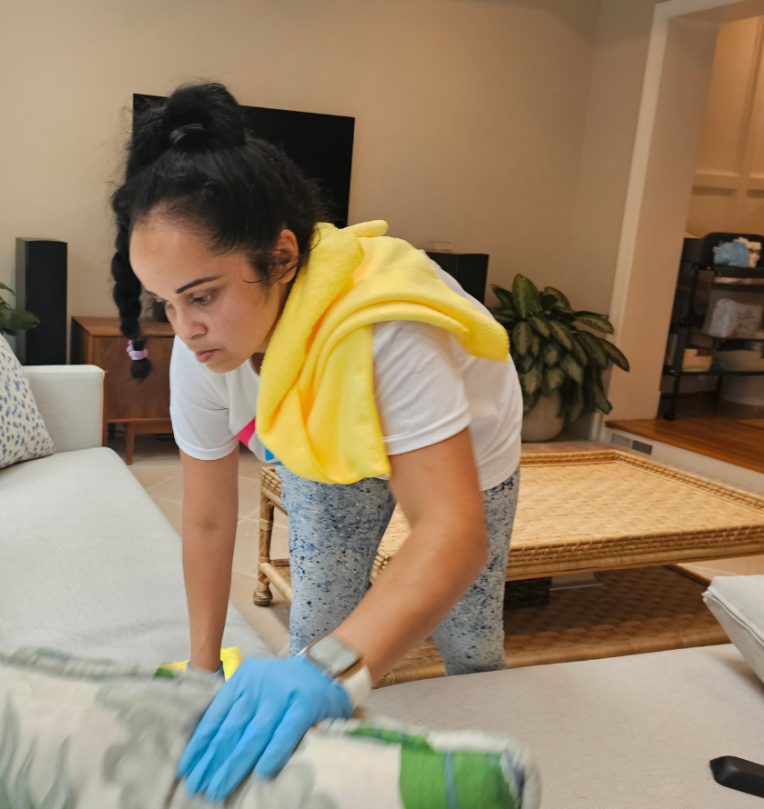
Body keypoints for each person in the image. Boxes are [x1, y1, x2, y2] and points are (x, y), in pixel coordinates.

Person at [108, 82, 522, 803]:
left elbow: (452, 531)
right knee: (320, 628)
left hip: (466, 439)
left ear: (282, 256)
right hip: (326, 445)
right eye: (164, 302)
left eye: (201, 295)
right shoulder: (199, 356)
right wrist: (203, 671)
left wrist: (326, 668)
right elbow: (208, 516)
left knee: (468, 636)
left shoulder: (384, 332)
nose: (185, 327)